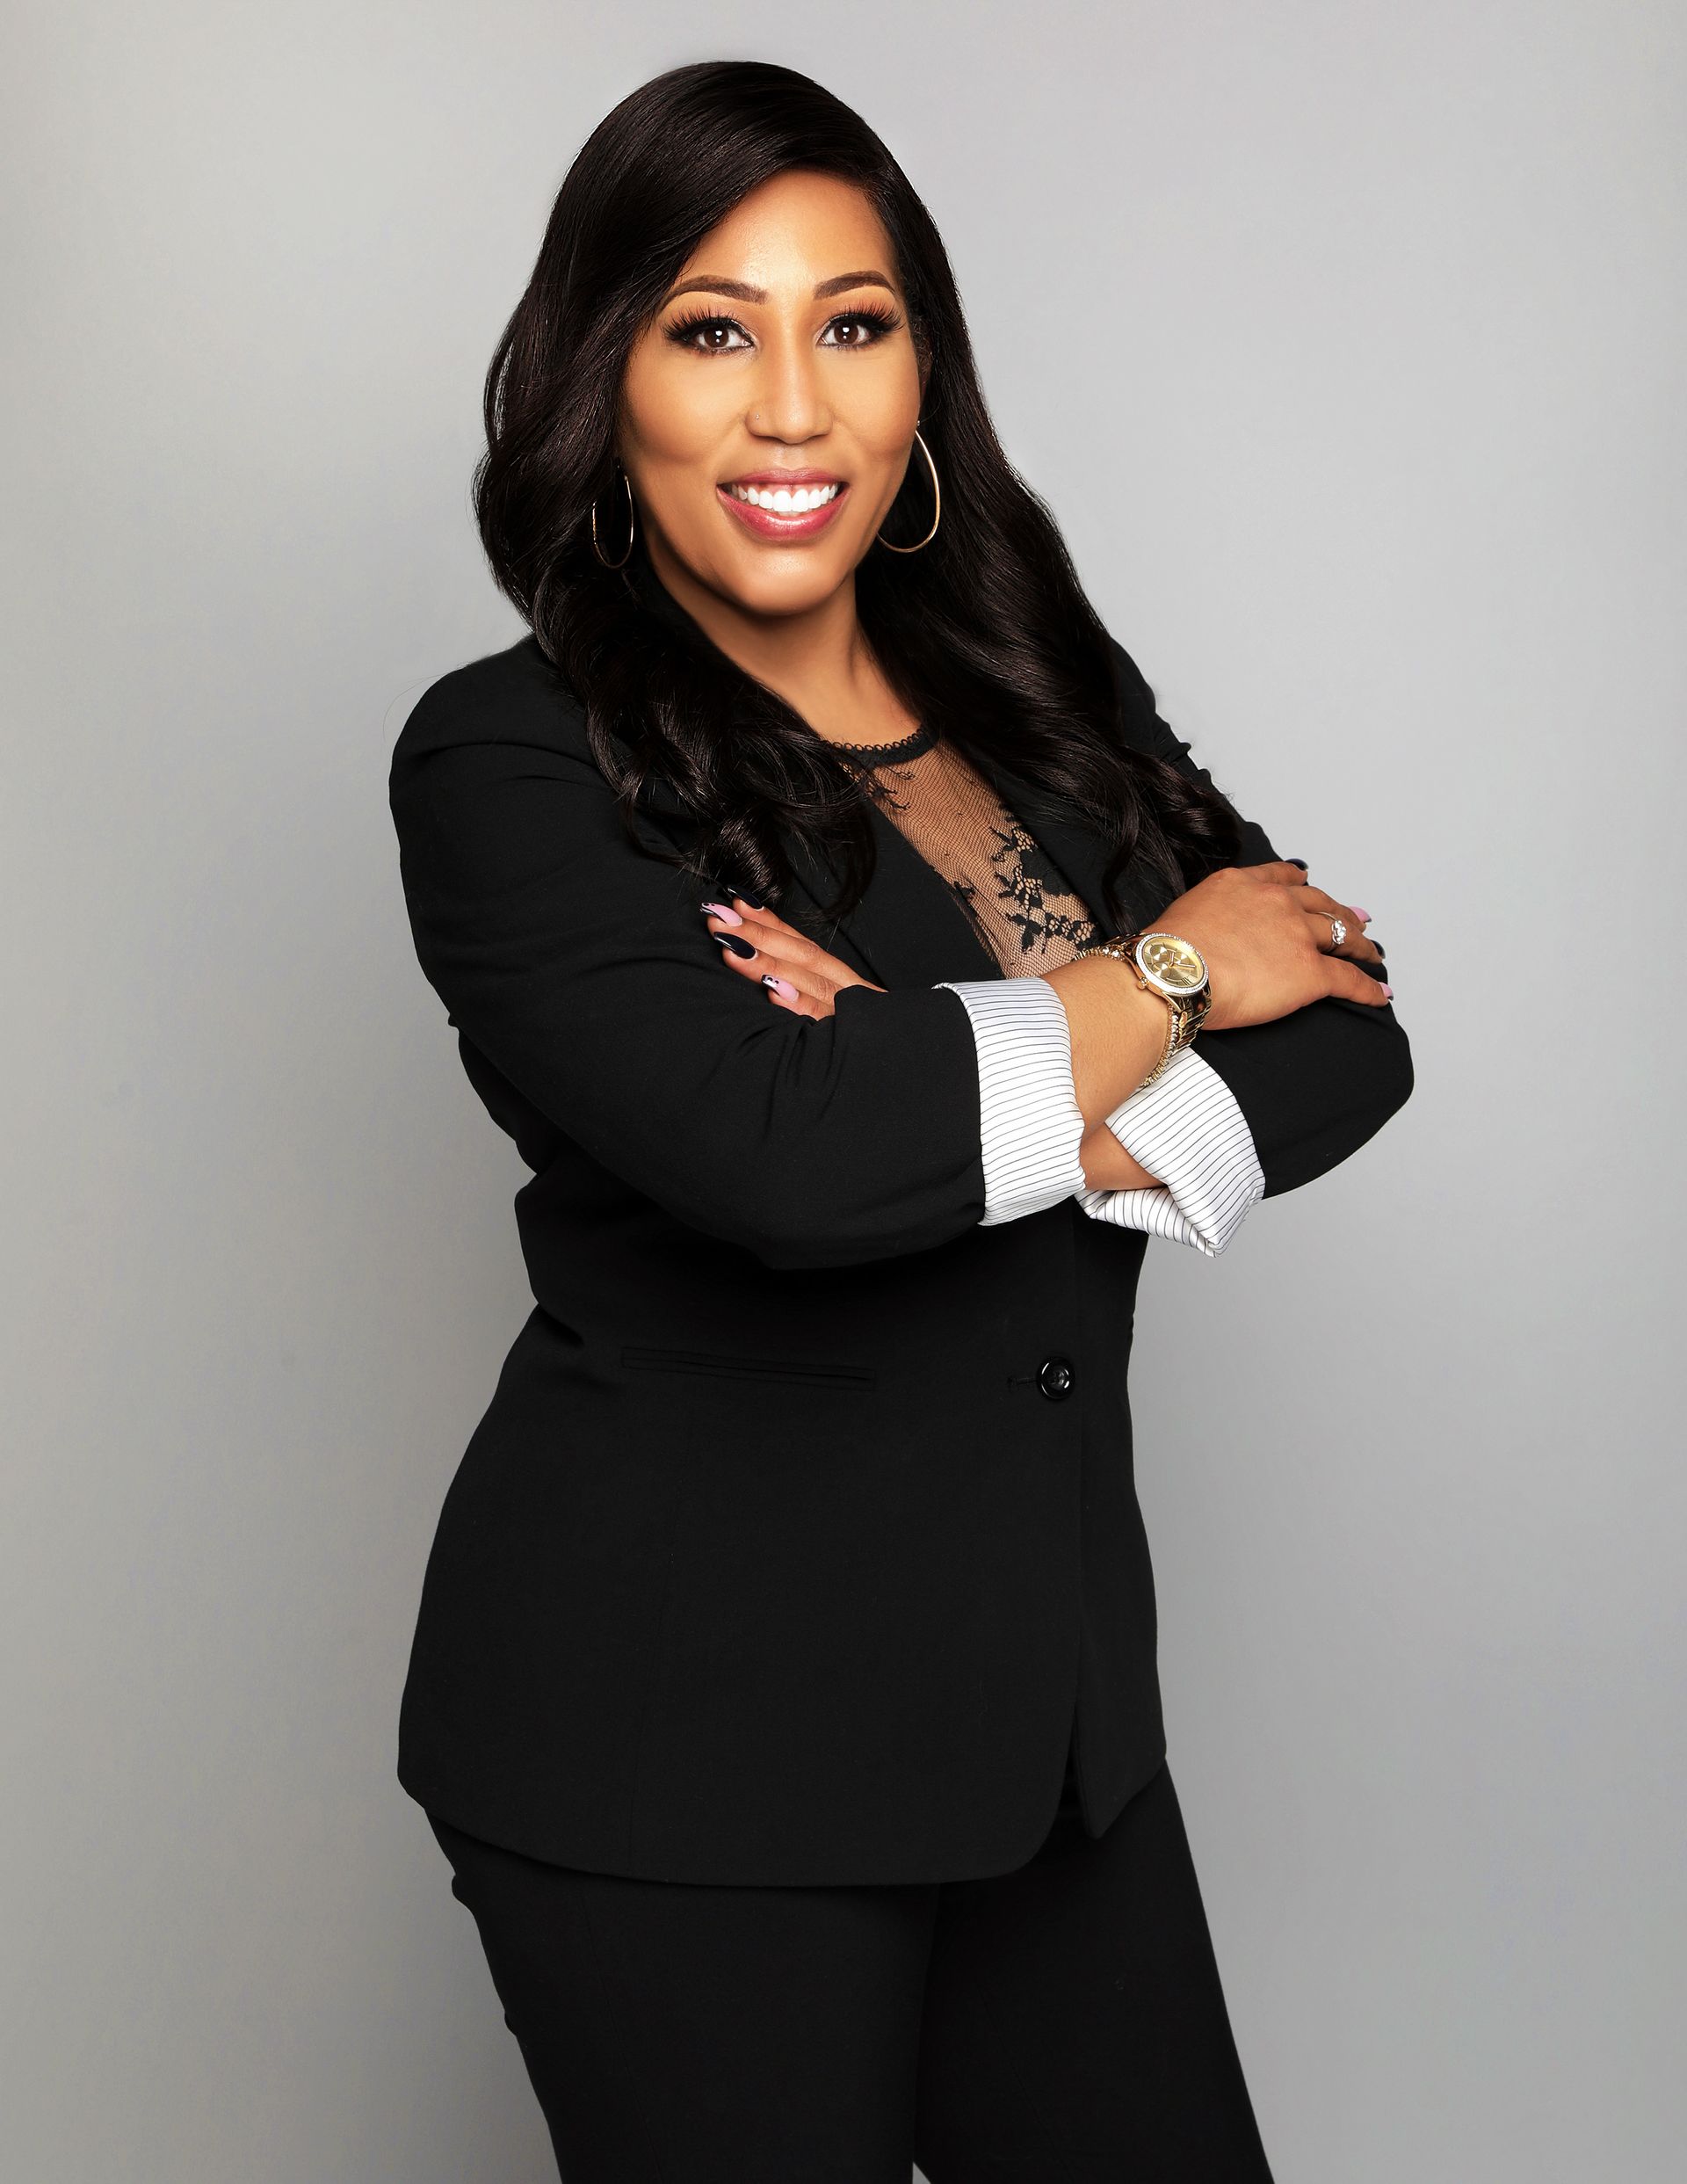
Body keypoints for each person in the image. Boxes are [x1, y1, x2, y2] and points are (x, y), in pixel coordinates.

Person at [389, 57, 1412, 2183]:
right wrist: (1161, 978)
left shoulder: (1043, 688)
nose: (792, 406)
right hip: (678, 1756)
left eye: (851, 326)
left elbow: (1353, 1033)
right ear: (609, 378)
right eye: (711, 328)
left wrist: (976, 1067)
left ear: (919, 374)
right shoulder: (515, 764)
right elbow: (795, 1163)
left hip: (1044, 1742)